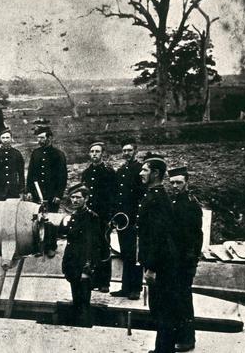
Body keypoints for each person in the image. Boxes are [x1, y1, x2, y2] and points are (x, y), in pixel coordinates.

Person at [138, 154, 178, 353]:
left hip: (160, 265)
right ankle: (161, 349)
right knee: (160, 310)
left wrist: (151, 267)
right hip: (159, 262)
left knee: (162, 311)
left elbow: (158, 236)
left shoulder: (157, 198)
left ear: (155, 173)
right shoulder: (154, 194)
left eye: (144, 170)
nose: (141, 173)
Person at [168, 166, 203, 352]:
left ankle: (187, 339)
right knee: (173, 299)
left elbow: (196, 236)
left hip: (184, 260)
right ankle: (175, 337)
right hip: (172, 259)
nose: (175, 186)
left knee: (183, 299)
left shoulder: (191, 204)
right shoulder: (171, 200)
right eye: (172, 182)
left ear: (186, 183)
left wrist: (192, 261)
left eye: (179, 182)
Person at [60, 183, 100, 327]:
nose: (75, 200)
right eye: (72, 197)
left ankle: (83, 328)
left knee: (83, 301)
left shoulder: (91, 217)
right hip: (72, 263)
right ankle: (78, 326)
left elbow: (93, 245)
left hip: (83, 264)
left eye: (78, 197)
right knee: (76, 298)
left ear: (86, 199)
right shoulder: (74, 216)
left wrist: (87, 268)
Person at [110, 139, 145, 300]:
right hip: (123, 219)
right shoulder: (121, 170)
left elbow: (142, 195)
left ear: (135, 151)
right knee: (125, 253)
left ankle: (136, 288)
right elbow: (116, 195)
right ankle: (125, 287)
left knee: (135, 254)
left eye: (129, 150)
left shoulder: (140, 170)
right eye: (124, 150)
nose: (126, 153)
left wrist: (139, 217)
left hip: (135, 218)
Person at [80, 141, 116, 293]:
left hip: (103, 217)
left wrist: (110, 217)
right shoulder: (86, 173)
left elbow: (113, 197)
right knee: (90, 246)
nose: (94, 154)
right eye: (92, 152)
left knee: (103, 248)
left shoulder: (108, 172)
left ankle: (104, 282)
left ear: (102, 154)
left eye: (97, 152)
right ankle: (93, 280)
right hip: (89, 216)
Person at [26, 126, 68, 212]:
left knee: (51, 218)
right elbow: (31, 173)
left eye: (42, 138)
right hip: (37, 193)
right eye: (38, 138)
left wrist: (58, 195)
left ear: (49, 138)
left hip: (52, 194)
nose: (39, 140)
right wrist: (29, 191)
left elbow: (62, 176)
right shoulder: (35, 153)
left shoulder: (58, 154)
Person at [0, 128, 25, 201]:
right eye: (3, 138)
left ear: (11, 139)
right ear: (0, 139)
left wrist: (21, 191)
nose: (5, 140)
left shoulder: (17, 154)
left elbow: (21, 174)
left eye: (7, 137)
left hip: (13, 191)